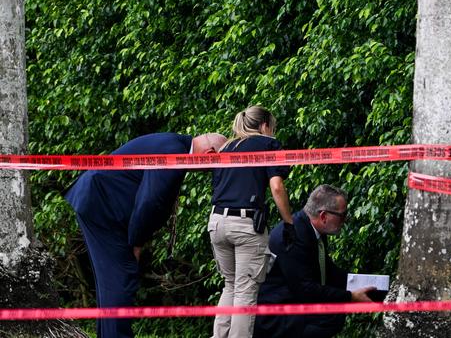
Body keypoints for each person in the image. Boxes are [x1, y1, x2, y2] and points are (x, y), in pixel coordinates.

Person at [65, 132, 227, 338]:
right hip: (103, 207)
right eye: (214, 166)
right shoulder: (174, 152)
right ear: (210, 154)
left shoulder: (174, 143)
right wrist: (136, 243)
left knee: (111, 283)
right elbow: (150, 202)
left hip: (99, 203)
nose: (209, 172)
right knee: (121, 278)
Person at [209, 105, 293, 338]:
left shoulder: (226, 148)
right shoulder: (268, 144)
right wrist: (289, 223)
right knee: (245, 292)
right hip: (245, 225)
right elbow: (276, 186)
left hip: (216, 222)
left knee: (230, 285)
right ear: (265, 125)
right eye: (272, 127)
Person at [253, 184, 375, 338]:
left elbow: (327, 270)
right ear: (323, 216)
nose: (345, 220)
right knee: (331, 318)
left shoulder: (314, 229)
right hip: (277, 315)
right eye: (342, 216)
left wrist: (363, 282)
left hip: (296, 302)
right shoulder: (294, 236)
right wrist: (350, 296)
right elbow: (305, 289)